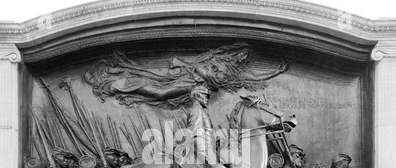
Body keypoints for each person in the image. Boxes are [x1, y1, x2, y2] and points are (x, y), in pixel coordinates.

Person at [83, 43, 289, 109]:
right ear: (235, 52)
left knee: (162, 93)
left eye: (246, 57)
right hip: (191, 82)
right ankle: (124, 83)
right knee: (162, 92)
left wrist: (276, 72)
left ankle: (127, 83)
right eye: (241, 54)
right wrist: (209, 78)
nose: (243, 58)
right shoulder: (217, 60)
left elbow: (254, 77)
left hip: (198, 90)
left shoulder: (235, 72)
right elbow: (199, 67)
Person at [185, 86, 226, 168]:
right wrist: (205, 156)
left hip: (207, 150)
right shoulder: (197, 111)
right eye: (205, 96)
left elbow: (206, 135)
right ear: (197, 96)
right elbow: (196, 134)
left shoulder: (202, 111)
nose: (207, 99)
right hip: (198, 153)